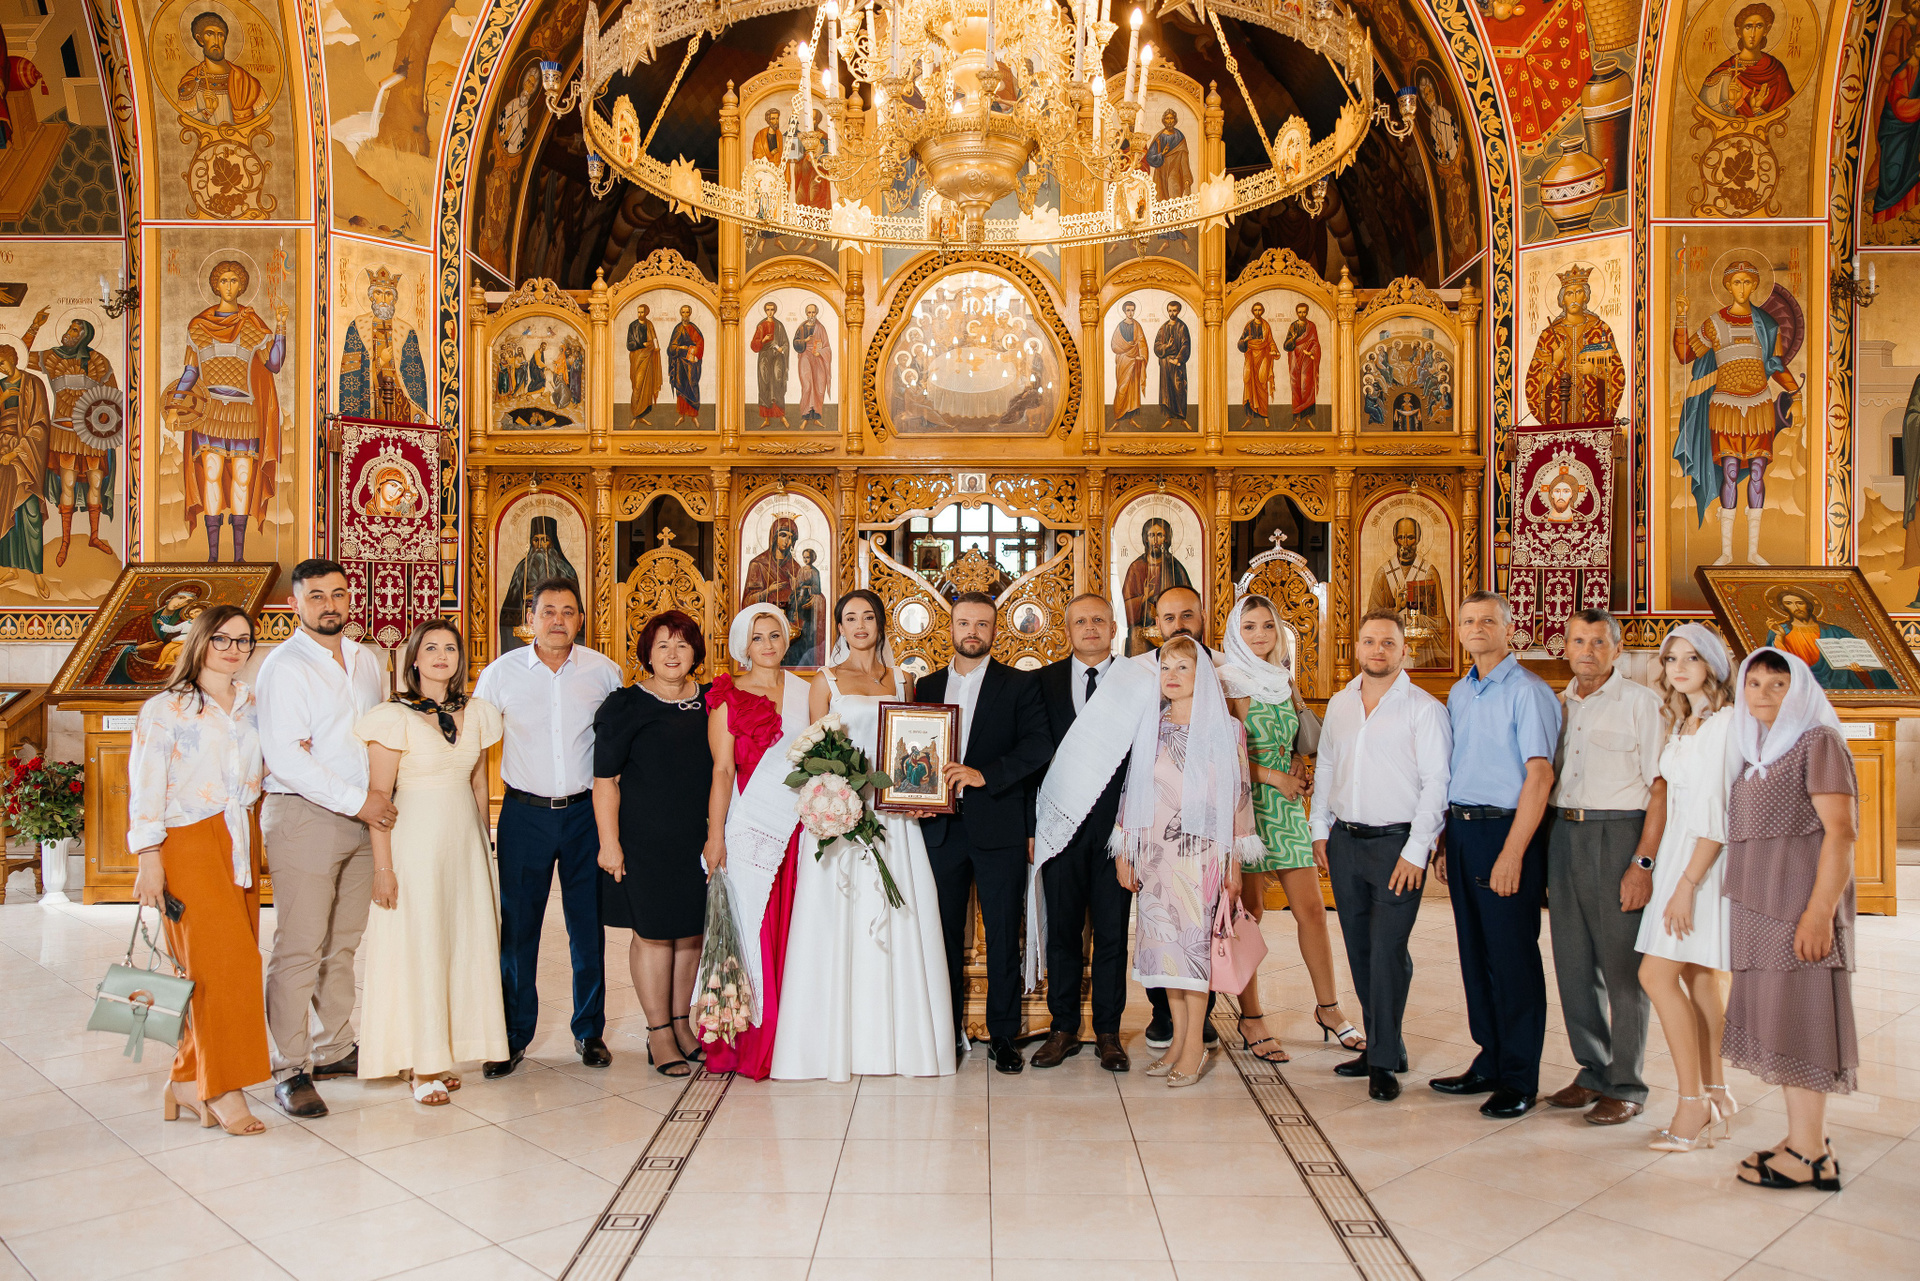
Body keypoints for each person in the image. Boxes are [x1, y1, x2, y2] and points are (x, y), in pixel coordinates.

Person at [772, 590, 955, 1081]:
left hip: (894, 817)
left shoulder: (903, 680)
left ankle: (903, 1044)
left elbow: (916, 741)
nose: (859, 625)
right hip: (844, 817)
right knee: (840, 920)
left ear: (880, 624)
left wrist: (921, 792)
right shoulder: (825, 681)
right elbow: (814, 754)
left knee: (900, 917)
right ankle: (834, 1046)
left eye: (868, 617)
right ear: (839, 627)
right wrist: (837, 800)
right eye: (849, 618)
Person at [472, 577, 625, 1078]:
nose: (558, 620)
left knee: (587, 926)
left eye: (568, 611)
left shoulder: (604, 673)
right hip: (523, 814)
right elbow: (473, 747)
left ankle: (589, 1031)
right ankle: (513, 1036)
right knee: (518, 929)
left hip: (585, 814)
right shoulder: (500, 674)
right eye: (548, 611)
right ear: (529, 619)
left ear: (580, 619)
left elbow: (619, 749)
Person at [257, 559, 394, 1118]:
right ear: (295, 604)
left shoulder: (367, 661)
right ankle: (289, 1067)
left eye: (338, 594)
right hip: (305, 816)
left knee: (342, 943)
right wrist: (360, 802)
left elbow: (377, 734)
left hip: (362, 819)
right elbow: (287, 757)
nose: (329, 605)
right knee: (300, 946)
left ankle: (335, 1046)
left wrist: (373, 803)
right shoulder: (284, 667)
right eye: (316, 596)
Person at [353, 622, 507, 1104]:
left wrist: (483, 848)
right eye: (431, 648)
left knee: (458, 944)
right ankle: (420, 1065)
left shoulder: (477, 713)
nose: (442, 655)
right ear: (414, 659)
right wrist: (383, 869)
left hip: (463, 844)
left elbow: (478, 783)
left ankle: (442, 1052)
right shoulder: (392, 717)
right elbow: (379, 798)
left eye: (450, 648)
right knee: (420, 947)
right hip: (414, 843)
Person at [129, 605, 269, 1137]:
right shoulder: (166, 708)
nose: (234, 649)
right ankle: (224, 1089)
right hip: (187, 839)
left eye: (244, 640)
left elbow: (260, 769)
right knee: (224, 968)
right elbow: (146, 784)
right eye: (222, 639)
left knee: (220, 966)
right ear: (201, 641)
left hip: (241, 837)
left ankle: (187, 1080)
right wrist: (149, 858)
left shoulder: (252, 704)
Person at [1723, 648, 1858, 1190]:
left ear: (1799, 691)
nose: (1762, 693)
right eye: (1753, 683)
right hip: (1762, 909)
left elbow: (1842, 833)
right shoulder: (1756, 744)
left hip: (1797, 908)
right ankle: (1809, 1140)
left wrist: (1819, 914)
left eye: (1777, 684)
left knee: (1803, 1020)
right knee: (1781, 1019)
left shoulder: (1817, 741)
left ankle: (1808, 1154)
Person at [1311, 610, 1450, 1101]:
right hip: (1346, 841)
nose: (1377, 650)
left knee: (1388, 950)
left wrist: (1417, 850)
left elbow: (1437, 784)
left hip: (1397, 845)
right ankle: (1382, 1046)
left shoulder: (1424, 709)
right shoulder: (1341, 703)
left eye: (1388, 642)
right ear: (1357, 648)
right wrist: (1319, 830)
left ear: (1404, 650)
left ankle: (1384, 1062)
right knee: (1361, 948)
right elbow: (1326, 766)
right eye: (1369, 641)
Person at [1431, 590, 1560, 1119]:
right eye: (1468, 620)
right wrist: (1444, 840)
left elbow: (1540, 775)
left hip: (1508, 831)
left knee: (1512, 957)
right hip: (1464, 832)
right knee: (1475, 953)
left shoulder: (1528, 692)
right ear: (1459, 630)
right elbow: (1455, 769)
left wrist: (1512, 853)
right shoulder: (1460, 692)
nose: (1477, 628)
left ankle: (1519, 1076)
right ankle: (1489, 1059)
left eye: (1488, 620)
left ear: (1510, 629)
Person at [1219, 594, 1363, 1065]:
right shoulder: (1227, 683)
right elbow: (1223, 756)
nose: (1260, 635)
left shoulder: (1282, 679)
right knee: (1250, 914)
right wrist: (1273, 776)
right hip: (1246, 809)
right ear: (1234, 633)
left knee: (1313, 910)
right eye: (1249, 627)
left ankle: (1329, 1008)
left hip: (1285, 810)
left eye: (1267, 626)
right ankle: (1251, 1016)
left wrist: (1298, 763)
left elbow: (1295, 738)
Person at [917, 593, 1053, 1072]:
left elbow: (1039, 746)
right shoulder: (926, 686)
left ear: (995, 630)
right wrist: (914, 795)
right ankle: (945, 1031)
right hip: (940, 830)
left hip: (1000, 825)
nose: (972, 631)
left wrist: (984, 775)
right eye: (964, 623)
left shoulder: (1019, 684)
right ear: (950, 628)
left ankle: (1004, 1036)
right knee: (942, 935)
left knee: (1002, 933)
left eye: (981, 624)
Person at [1542, 609, 1666, 1126]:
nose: (1587, 651)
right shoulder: (1559, 705)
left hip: (1618, 835)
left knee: (1622, 966)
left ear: (1617, 649)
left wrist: (1642, 862)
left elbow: (1660, 788)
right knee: (1573, 961)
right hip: (1564, 834)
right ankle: (1593, 1070)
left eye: (1598, 642)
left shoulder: (1641, 703)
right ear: (1565, 648)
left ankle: (1628, 1083)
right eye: (1578, 641)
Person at [1116, 637, 1258, 1085]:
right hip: (1156, 854)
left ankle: (1194, 1046)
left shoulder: (1226, 729)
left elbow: (1240, 797)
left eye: (1183, 667)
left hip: (1202, 857)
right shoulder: (1151, 725)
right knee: (1166, 954)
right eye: (1166, 667)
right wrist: (1125, 852)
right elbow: (1131, 789)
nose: (1172, 676)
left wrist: (1235, 865)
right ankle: (1178, 1041)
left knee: (1193, 953)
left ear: (1204, 676)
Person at [1636, 623, 1740, 1152]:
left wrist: (1686, 884)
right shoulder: (1685, 720)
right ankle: (1717, 1092)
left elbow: (1718, 817)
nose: (1678, 667)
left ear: (1713, 665)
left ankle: (1691, 1102)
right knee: (1698, 978)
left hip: (1701, 861)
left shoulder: (1725, 723)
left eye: (1691, 658)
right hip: (1679, 854)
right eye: (1671, 657)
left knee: (1654, 975)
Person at [594, 610, 711, 1077]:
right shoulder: (626, 705)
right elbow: (605, 781)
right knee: (655, 934)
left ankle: (682, 1023)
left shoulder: (712, 701)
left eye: (681, 644)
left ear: (695, 652)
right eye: (662, 645)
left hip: (697, 838)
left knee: (691, 934)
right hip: (644, 839)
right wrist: (610, 843)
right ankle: (658, 1031)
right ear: (647, 653)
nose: (672, 653)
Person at [705, 605, 814, 1079]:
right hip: (750, 826)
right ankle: (753, 1042)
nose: (767, 645)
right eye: (757, 637)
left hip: (800, 828)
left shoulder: (808, 692)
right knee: (753, 927)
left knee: (798, 928)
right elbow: (722, 770)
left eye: (774, 635)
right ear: (742, 646)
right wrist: (715, 836)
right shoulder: (727, 696)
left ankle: (795, 1040)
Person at [1027, 594, 1133, 1072]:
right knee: (1064, 933)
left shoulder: (1135, 683)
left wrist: (1133, 831)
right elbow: (1033, 757)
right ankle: (1064, 1028)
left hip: (1115, 832)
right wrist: (1031, 827)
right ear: (1066, 630)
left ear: (1113, 628)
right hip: (1059, 829)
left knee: (1112, 935)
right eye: (1080, 621)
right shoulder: (1042, 682)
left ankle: (1108, 1032)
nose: (1090, 628)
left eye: (1098, 620)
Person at [163, 258, 286, 564]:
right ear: (215, 285)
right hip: (210, 412)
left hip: (245, 413)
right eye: (223, 280)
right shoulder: (198, 326)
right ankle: (214, 557)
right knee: (212, 475)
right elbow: (191, 372)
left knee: (243, 477)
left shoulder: (252, 324)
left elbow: (274, 365)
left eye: (234, 281)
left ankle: (239, 557)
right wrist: (175, 407)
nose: (229, 286)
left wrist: (281, 326)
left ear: (241, 286)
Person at [20, 309, 118, 566]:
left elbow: (114, 399)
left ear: (84, 336)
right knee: (68, 484)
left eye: (75, 330)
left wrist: (103, 424)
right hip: (63, 433)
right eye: (69, 328)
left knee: (95, 483)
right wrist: (35, 326)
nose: (68, 333)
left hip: (92, 435)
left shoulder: (99, 362)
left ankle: (94, 536)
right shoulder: (52, 357)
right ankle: (65, 542)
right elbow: (19, 356)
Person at [1523, 264, 1625, 425]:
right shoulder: (1548, 335)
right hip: (1557, 419)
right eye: (1569, 294)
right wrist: (1554, 363)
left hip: (1593, 418)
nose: (1574, 298)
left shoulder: (1601, 330)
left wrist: (1595, 371)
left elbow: (1617, 373)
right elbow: (1533, 384)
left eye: (1579, 292)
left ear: (1586, 297)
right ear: (1562, 299)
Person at [1365, 517, 1451, 669]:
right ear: (1395, 540)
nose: (1405, 543)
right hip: (1389, 651)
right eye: (1401, 537)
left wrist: (1418, 619)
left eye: (1410, 537)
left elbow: (1441, 622)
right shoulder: (1383, 574)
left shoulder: (1429, 572)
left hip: (1424, 652)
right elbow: (1371, 621)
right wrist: (1396, 609)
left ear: (1418, 539)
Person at [0, 345, 50, 597]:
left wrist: (17, 452)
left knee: (30, 513)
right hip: (1, 455)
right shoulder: (0, 387)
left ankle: (38, 574)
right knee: (5, 510)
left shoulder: (33, 384)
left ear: (13, 359)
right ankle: (11, 569)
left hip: (26, 456)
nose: (0, 367)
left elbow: (40, 425)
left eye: (2, 362)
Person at [1119, 518, 1193, 656]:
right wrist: (1144, 598)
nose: (1156, 540)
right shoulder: (1136, 567)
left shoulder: (1175, 567)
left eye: (1160, 535)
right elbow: (1124, 611)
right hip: (1142, 629)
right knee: (1135, 638)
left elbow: (1189, 600)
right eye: (1151, 535)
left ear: (1167, 538)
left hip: (1171, 626)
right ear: (1146, 539)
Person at [1238, 301, 1277, 428]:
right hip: (1250, 357)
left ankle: (1265, 416)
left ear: (1263, 311)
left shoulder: (1266, 326)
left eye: (1260, 310)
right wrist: (1245, 340)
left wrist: (1274, 350)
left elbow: (1270, 341)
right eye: (1255, 310)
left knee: (1262, 384)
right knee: (1249, 383)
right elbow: (1240, 343)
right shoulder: (1248, 325)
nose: (1258, 312)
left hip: (1263, 357)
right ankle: (1249, 418)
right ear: (1252, 311)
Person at [751, 301, 790, 426]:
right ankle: (766, 419)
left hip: (777, 357)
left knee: (778, 381)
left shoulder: (779, 326)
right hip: (765, 357)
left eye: (772, 309)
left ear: (775, 310)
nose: (770, 312)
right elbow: (754, 345)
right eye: (768, 310)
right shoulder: (761, 325)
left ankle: (781, 416)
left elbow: (786, 343)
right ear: (765, 311)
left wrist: (781, 348)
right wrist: (764, 340)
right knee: (765, 383)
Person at [1110, 301, 1149, 427]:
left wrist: (1142, 356)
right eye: (1128, 310)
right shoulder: (1120, 326)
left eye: (1132, 310)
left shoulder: (1137, 326)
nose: (1130, 313)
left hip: (1134, 361)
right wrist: (1128, 349)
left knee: (1132, 389)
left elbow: (1142, 342)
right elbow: (1114, 345)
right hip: (1123, 361)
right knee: (1122, 388)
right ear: (1124, 311)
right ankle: (1118, 417)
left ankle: (1131, 418)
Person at [1153, 301, 1191, 427]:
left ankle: (1182, 419)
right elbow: (1156, 346)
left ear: (1178, 311)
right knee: (1167, 391)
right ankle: (1168, 418)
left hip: (1177, 364)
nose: (1172, 313)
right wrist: (1166, 347)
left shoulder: (1182, 327)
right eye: (1170, 310)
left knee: (1179, 389)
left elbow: (1186, 345)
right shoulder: (1163, 328)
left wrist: (1178, 359)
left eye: (1174, 310)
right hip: (1165, 365)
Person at [793, 303, 832, 425]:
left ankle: (816, 418)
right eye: (809, 312)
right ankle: (805, 416)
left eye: (813, 312)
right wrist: (805, 340)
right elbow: (795, 343)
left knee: (819, 386)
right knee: (807, 385)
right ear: (806, 313)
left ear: (816, 313)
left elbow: (827, 347)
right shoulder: (802, 327)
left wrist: (820, 352)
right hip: (805, 356)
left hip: (817, 358)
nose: (811, 315)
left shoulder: (821, 328)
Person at [1284, 302, 1321, 428]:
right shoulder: (1293, 326)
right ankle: (1297, 419)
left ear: (1307, 312)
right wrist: (1293, 338)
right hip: (1295, 357)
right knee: (1296, 385)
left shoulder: (1311, 326)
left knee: (1307, 385)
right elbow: (1286, 345)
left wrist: (1311, 353)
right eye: (1299, 312)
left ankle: (1307, 418)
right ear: (1296, 313)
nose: (1302, 314)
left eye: (1304, 312)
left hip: (1306, 359)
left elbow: (1315, 343)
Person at [668, 305, 704, 428]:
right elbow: (671, 348)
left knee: (693, 386)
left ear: (690, 313)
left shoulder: (694, 328)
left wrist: (695, 352)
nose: (685, 315)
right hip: (680, 364)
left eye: (687, 312)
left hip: (692, 363)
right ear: (680, 314)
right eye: (683, 312)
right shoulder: (678, 329)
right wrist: (680, 348)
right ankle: (682, 416)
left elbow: (700, 343)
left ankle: (694, 416)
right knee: (681, 388)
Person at [626, 303, 661, 424]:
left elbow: (654, 339)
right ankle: (636, 413)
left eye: (642, 312)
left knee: (646, 386)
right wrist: (642, 344)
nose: (640, 314)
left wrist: (656, 347)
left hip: (648, 359)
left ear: (646, 313)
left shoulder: (649, 324)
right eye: (638, 312)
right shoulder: (633, 325)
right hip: (637, 358)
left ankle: (640, 416)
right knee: (637, 385)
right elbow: (629, 344)